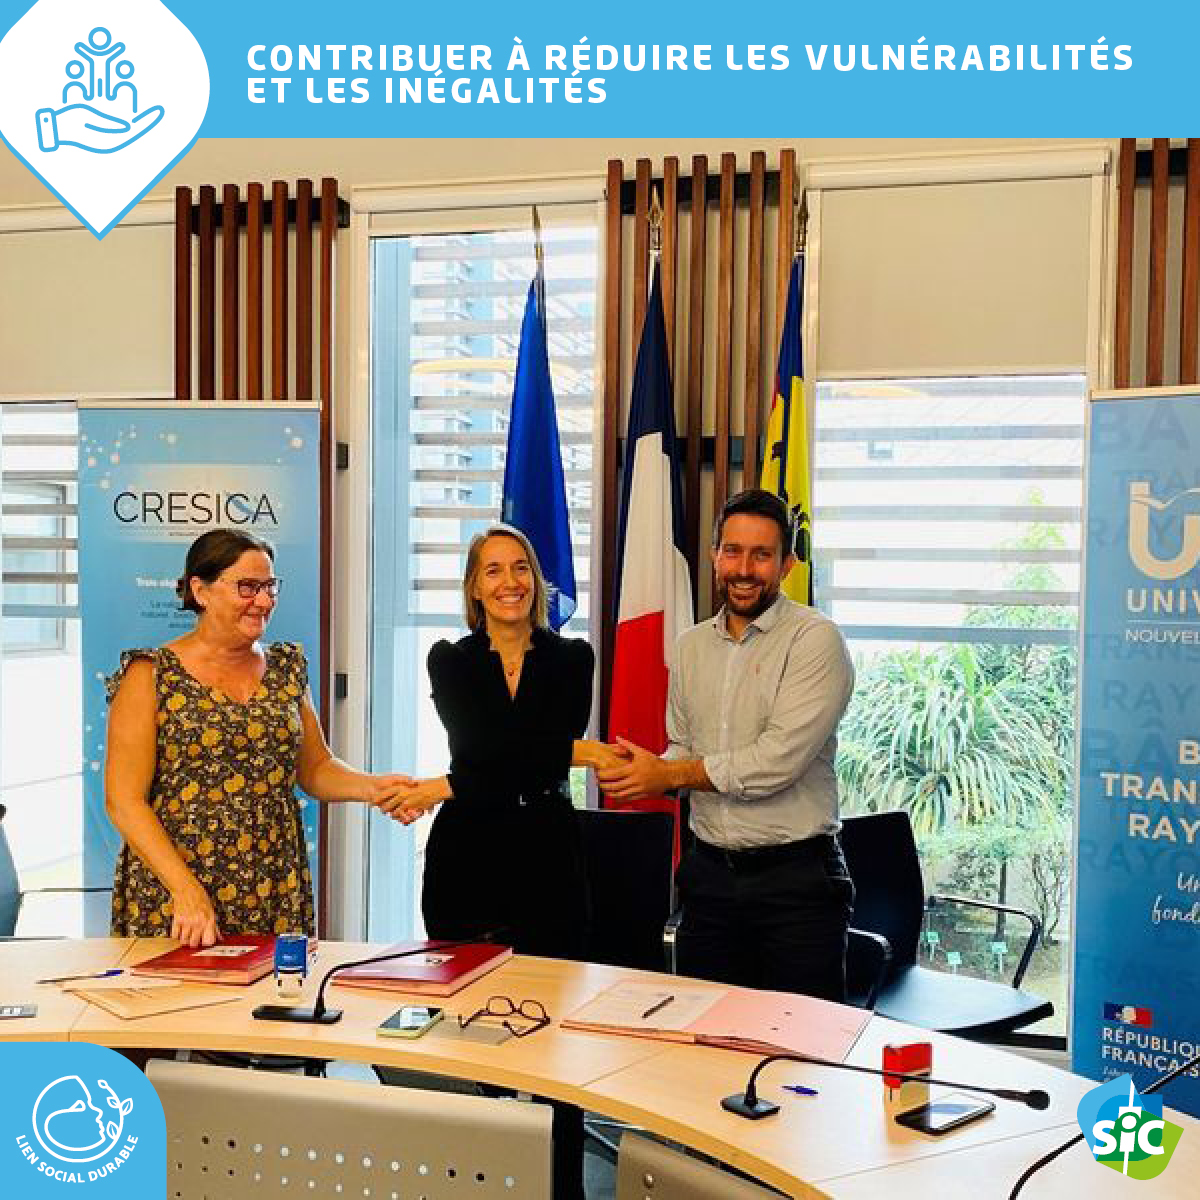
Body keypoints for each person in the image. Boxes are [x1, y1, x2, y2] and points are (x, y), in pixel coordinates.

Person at [598, 488, 856, 1001]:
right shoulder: (690, 646)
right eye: (733, 551)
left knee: (799, 1046)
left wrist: (668, 775)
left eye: (762, 555)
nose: (744, 569)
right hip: (709, 883)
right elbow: (683, 749)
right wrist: (642, 769)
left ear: (786, 564)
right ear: (715, 555)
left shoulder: (816, 641)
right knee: (705, 1039)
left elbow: (775, 763)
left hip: (796, 887)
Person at [105, 528, 411, 947]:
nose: (264, 601)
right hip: (177, 891)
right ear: (201, 590)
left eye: (269, 587)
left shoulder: (286, 667)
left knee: (275, 988)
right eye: (248, 587)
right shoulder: (150, 674)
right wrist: (186, 890)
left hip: (272, 880)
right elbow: (124, 801)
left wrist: (376, 788)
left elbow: (316, 768)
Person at [387, 524, 620, 959]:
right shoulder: (450, 659)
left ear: (536, 579)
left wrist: (447, 786)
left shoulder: (572, 659)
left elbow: (521, 760)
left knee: (550, 989)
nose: (510, 582)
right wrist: (579, 752)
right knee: (462, 992)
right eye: (493, 571)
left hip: (549, 856)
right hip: (466, 856)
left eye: (520, 568)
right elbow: (483, 749)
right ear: (475, 587)